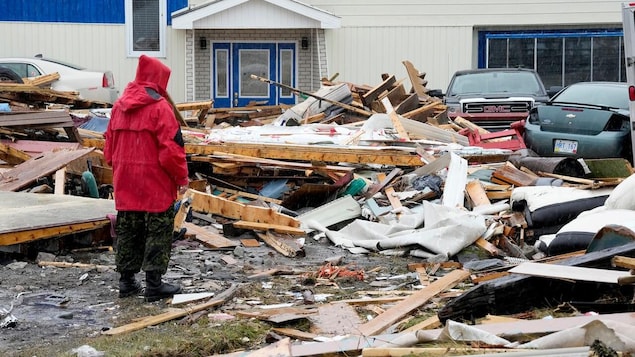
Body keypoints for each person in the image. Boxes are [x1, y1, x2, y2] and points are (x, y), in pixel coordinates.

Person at [104, 55, 189, 302]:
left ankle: (127, 282)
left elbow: (109, 147)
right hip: (155, 182)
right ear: (159, 80)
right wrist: (182, 177)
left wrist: (119, 167)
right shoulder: (161, 108)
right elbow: (172, 150)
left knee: (128, 230)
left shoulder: (119, 106)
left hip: (125, 181)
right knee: (158, 231)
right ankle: (154, 284)